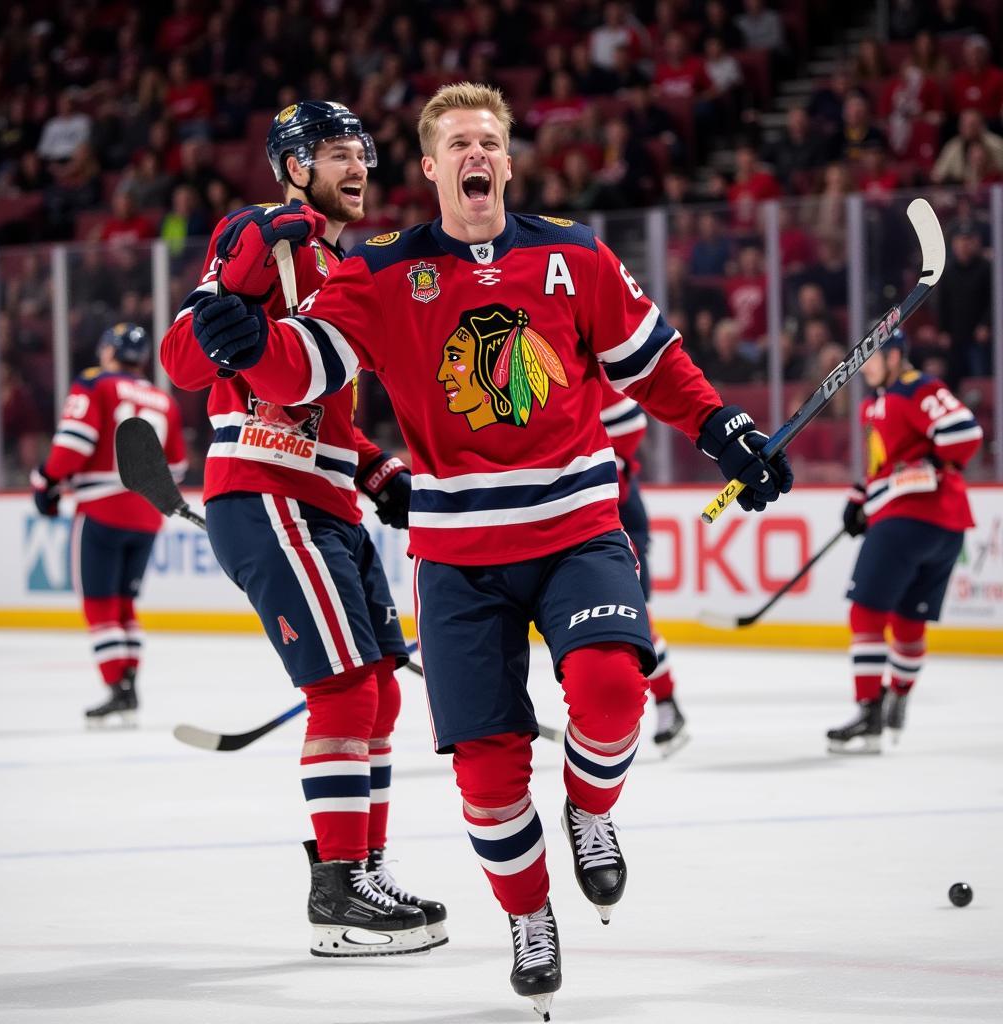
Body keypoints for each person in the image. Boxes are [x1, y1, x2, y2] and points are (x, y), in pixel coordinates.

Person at [184, 83, 792, 1017]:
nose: (477, 154)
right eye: (457, 143)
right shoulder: (381, 269)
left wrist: (726, 432)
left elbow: (654, 361)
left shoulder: (574, 253)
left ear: (507, 162)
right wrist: (246, 342)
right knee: (489, 771)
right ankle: (527, 915)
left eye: (490, 141)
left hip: (575, 528)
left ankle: (590, 812)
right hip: (460, 557)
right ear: (431, 168)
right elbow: (306, 366)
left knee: (610, 688)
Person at [159, 101, 445, 958]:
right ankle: (337, 898)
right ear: (292, 166)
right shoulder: (260, 234)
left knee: (382, 693)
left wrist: (375, 466)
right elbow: (180, 358)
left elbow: (324, 408)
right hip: (266, 492)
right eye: (332, 152)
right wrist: (224, 319)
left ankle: (365, 867)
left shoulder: (338, 264)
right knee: (346, 694)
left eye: (361, 151)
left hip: (326, 499)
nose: (355, 165)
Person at [828, 330, 982, 754]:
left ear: (896, 356)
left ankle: (868, 712)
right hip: (948, 527)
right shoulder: (875, 404)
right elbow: (886, 462)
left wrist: (927, 462)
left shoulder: (917, 388)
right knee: (909, 619)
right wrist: (860, 497)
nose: (867, 365)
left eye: (874, 357)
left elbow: (964, 434)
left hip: (907, 520)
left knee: (866, 614)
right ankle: (898, 695)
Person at [30, 324, 186, 726]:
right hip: (148, 516)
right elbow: (179, 467)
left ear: (108, 352)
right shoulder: (162, 400)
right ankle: (129, 685)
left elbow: (74, 444)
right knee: (125, 603)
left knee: (100, 603)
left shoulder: (95, 385)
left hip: (101, 510)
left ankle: (117, 688)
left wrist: (46, 480)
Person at [598, 372, 688, 756]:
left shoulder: (582, 365)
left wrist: (603, 457)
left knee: (634, 619)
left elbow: (630, 422)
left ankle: (667, 703)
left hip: (616, 518)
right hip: (598, 513)